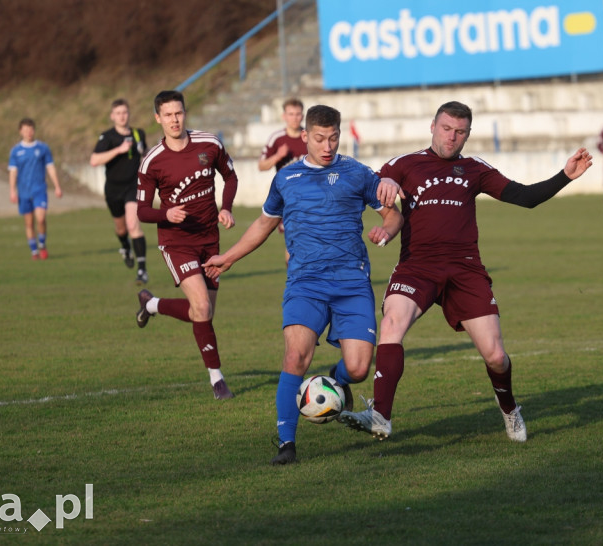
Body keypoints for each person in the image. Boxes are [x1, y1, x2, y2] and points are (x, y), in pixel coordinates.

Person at [339, 101, 592, 444]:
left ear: (468, 135)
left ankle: (510, 410)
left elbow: (525, 197)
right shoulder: (404, 164)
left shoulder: (475, 169)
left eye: (460, 132)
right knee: (391, 324)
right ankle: (381, 416)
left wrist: (565, 176)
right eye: (446, 129)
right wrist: (384, 183)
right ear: (433, 126)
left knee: (496, 356)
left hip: (465, 269)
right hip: (418, 265)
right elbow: (383, 183)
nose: (451, 137)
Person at [203, 105, 402, 465]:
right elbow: (264, 224)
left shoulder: (357, 173)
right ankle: (286, 444)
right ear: (305, 137)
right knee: (296, 356)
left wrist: (385, 231)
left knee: (358, 369)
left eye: (334, 138)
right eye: (320, 139)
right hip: (305, 282)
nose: (328, 146)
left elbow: (393, 214)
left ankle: (334, 379)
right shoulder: (287, 179)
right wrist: (229, 256)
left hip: (351, 283)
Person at [133, 90, 238, 400]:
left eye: (178, 113)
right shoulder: (153, 161)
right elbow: (141, 210)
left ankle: (151, 304)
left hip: (210, 239)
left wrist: (226, 206)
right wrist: (166, 213)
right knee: (202, 307)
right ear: (158, 119)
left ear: (184, 113)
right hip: (176, 242)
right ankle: (217, 380)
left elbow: (230, 177)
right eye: (167, 115)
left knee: (203, 313)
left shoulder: (209, 144)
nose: (174, 120)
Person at [90, 99, 150, 284]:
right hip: (113, 189)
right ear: (112, 116)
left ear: (129, 114)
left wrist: (146, 153)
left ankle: (142, 270)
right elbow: (94, 160)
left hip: (133, 186)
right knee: (121, 228)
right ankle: (125, 247)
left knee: (133, 225)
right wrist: (119, 150)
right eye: (118, 113)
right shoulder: (107, 137)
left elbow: (146, 155)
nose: (122, 116)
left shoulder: (138, 134)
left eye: (125, 112)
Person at [258, 98, 307, 264]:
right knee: (293, 241)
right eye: (291, 114)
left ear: (303, 115)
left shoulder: (309, 137)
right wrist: (278, 156)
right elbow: (261, 165)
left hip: (311, 196)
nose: (295, 118)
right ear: (284, 116)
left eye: (298, 114)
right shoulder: (277, 138)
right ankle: (295, 279)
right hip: (287, 198)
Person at [8, 118, 63, 259]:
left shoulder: (43, 148)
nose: (29, 132)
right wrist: (12, 190)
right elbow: (13, 172)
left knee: (40, 218)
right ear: (20, 131)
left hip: (39, 189)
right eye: (25, 130)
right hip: (24, 191)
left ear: (34, 130)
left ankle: (42, 245)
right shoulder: (16, 151)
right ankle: (34, 251)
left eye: (31, 129)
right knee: (29, 222)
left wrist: (57, 186)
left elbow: (50, 167)